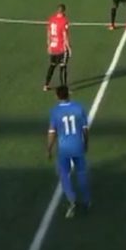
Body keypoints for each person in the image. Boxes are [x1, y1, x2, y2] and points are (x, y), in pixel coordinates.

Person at [47, 85, 91, 219]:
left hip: (64, 149)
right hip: (78, 146)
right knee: (81, 173)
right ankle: (86, 200)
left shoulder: (55, 112)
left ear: (57, 96)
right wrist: (86, 143)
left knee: (64, 174)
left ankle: (72, 199)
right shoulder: (78, 108)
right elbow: (85, 129)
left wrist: (49, 149)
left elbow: (52, 132)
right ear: (69, 94)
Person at [43, 4, 71, 92]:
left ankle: (46, 85)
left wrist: (48, 44)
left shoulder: (51, 19)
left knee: (52, 66)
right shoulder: (64, 21)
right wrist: (68, 47)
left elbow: (48, 32)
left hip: (53, 47)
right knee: (63, 67)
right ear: (63, 11)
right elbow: (65, 35)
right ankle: (64, 88)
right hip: (61, 47)